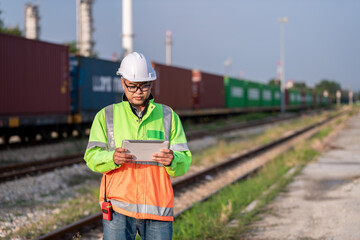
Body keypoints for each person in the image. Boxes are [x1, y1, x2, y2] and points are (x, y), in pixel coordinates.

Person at [84, 52, 192, 240]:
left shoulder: (168, 116)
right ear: (123, 83)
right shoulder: (106, 116)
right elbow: (91, 157)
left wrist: (173, 160)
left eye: (144, 86)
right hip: (119, 208)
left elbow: (185, 159)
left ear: (151, 83)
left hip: (157, 207)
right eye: (132, 86)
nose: (139, 91)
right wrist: (112, 158)